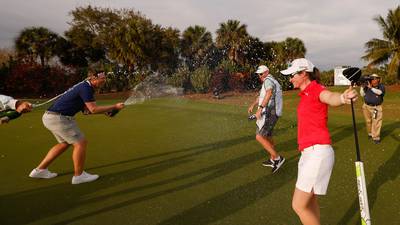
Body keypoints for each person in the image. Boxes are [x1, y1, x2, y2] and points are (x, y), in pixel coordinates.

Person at [281, 58, 358, 225]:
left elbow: (330, 97)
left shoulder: (316, 89)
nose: (290, 79)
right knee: (310, 201)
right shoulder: (305, 93)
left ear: (304, 74)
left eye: (293, 75)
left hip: (318, 153)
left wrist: (344, 98)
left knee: (298, 205)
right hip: (309, 153)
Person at [29, 70, 125, 184]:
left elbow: (86, 111)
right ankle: (78, 176)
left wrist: (109, 111)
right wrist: (114, 105)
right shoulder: (86, 88)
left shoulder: (85, 87)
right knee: (80, 143)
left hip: (50, 117)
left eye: (104, 78)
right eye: (101, 78)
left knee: (64, 144)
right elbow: (93, 109)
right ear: (92, 78)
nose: (103, 81)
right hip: (59, 118)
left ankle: (40, 170)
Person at [248, 65, 285, 173]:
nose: (259, 76)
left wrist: (259, 108)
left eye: (261, 73)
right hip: (271, 112)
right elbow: (261, 96)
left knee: (259, 136)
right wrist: (253, 105)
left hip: (270, 112)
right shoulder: (269, 81)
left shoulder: (268, 80)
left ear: (267, 72)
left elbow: (268, 93)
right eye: (258, 74)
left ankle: (278, 158)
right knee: (267, 135)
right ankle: (272, 159)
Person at [360, 74, 385, 144]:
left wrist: (370, 88)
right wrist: (362, 87)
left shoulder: (381, 86)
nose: (374, 80)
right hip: (366, 106)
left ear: (378, 79)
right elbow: (362, 94)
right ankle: (370, 133)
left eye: (376, 78)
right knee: (368, 121)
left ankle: (376, 137)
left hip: (376, 107)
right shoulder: (366, 86)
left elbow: (380, 92)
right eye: (373, 79)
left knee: (376, 122)